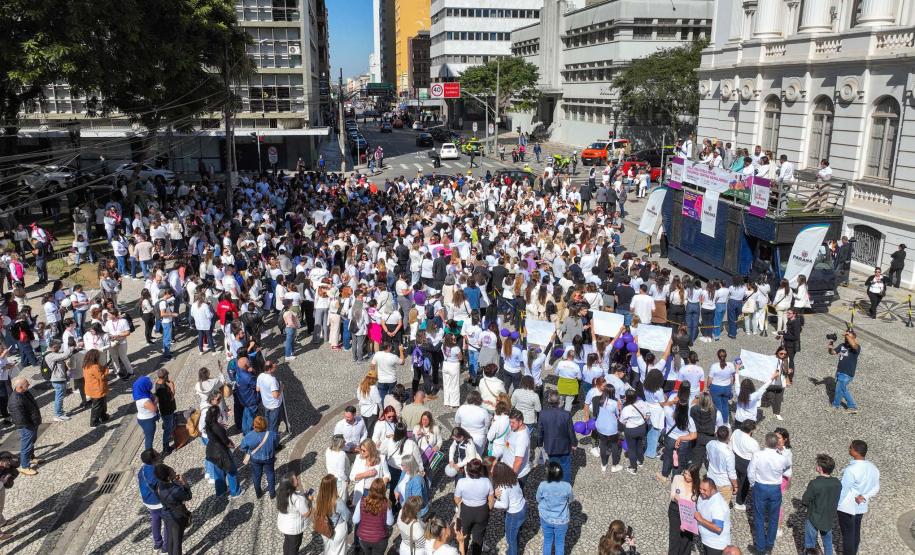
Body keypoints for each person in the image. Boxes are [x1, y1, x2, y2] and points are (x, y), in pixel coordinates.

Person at [748, 432, 791, 554]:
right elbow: (787, 466)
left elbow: (750, 472)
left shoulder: (757, 455)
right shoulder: (782, 457)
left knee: (759, 517)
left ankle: (760, 548)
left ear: (766, 442)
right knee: (773, 517)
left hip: (760, 487)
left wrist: (753, 484)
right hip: (775, 488)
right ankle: (769, 545)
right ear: (777, 443)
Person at [837, 439, 880, 555]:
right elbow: (876, 488)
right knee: (856, 532)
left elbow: (843, 490)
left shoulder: (851, 470)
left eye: (850, 448)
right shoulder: (873, 468)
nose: (849, 449)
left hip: (847, 508)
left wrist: (835, 505)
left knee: (848, 535)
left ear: (856, 452)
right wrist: (864, 496)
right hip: (861, 506)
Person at [801, 453, 841, 555]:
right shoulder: (837, 483)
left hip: (814, 517)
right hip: (828, 518)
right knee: (828, 542)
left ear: (820, 468)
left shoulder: (815, 484)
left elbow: (805, 500)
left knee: (810, 544)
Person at [453, 458, 494, 555]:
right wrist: (487, 509)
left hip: (466, 512)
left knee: (464, 536)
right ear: (481, 470)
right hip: (482, 511)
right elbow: (491, 501)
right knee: (478, 538)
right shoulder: (486, 481)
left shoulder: (461, 482)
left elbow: (457, 499)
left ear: (468, 470)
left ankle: (463, 552)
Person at [204, 395, 241, 498]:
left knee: (218, 473)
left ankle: (221, 492)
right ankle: (235, 492)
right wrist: (232, 445)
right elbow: (225, 441)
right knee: (231, 470)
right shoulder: (217, 427)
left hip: (211, 451)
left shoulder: (208, 424)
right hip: (221, 452)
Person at [537, 390, 578, 483]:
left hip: (550, 446)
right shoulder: (566, 414)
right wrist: (574, 443)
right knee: (566, 467)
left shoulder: (543, 414)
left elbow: (540, 431)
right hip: (564, 446)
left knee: (553, 467)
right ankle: (566, 486)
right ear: (560, 401)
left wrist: (539, 443)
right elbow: (571, 431)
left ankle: (554, 484)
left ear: (548, 400)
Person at [537, 461, 574, 555]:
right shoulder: (567, 486)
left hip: (546, 518)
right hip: (561, 520)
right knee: (560, 544)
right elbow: (570, 500)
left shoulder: (542, 485)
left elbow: (538, 499)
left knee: (547, 541)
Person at [155, 463, 192, 555]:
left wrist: (174, 481)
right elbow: (188, 496)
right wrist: (184, 483)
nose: (175, 471)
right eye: (172, 471)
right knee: (177, 542)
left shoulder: (159, 485)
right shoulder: (175, 491)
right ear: (168, 477)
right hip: (177, 517)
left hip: (167, 515)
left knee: (171, 539)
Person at [9, 376, 42, 476]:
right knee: (26, 446)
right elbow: (20, 419)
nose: (29, 385)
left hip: (32, 423)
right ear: (20, 387)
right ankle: (24, 467)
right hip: (27, 426)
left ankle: (31, 458)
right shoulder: (15, 401)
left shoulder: (24, 392)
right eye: (27, 384)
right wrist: (31, 425)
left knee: (31, 442)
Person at [240, 415, 279, 499]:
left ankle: (258, 493)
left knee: (256, 476)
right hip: (269, 458)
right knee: (270, 474)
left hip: (255, 459)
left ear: (254, 425)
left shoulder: (248, 436)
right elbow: (276, 444)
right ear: (265, 424)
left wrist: (249, 451)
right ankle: (272, 494)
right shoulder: (272, 434)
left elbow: (242, 447)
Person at [137, 449, 168, 553]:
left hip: (148, 500)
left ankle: (157, 543)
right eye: (157, 453)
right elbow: (162, 486)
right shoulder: (156, 471)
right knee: (168, 522)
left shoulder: (142, 470)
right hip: (158, 501)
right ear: (154, 459)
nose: (159, 453)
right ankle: (165, 547)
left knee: (155, 520)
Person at [311, 473, 351, 555]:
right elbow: (347, 516)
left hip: (325, 529)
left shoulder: (319, 498)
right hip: (338, 529)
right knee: (339, 552)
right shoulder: (338, 501)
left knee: (328, 550)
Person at [354, 477, 394, 555]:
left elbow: (355, 520)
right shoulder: (386, 503)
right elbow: (390, 522)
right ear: (383, 491)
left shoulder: (362, 501)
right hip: (380, 539)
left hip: (363, 538)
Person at [668, 464, 701, 554]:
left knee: (687, 539)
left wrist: (686, 522)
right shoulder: (678, 478)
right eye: (685, 473)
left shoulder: (697, 485)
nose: (686, 476)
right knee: (674, 538)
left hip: (689, 513)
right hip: (675, 510)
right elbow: (672, 495)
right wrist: (676, 498)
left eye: (689, 475)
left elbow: (697, 504)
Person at [695, 477, 732, 555]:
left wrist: (701, 519)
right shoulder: (702, 496)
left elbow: (718, 528)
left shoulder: (717, 505)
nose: (701, 491)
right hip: (706, 540)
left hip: (716, 545)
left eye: (704, 490)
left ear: (713, 489)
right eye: (700, 489)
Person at [828, 329, 860, 414]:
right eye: (846, 336)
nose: (846, 338)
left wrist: (847, 335)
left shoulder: (856, 347)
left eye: (849, 336)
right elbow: (832, 352)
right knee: (843, 389)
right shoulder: (842, 345)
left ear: (853, 337)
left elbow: (853, 344)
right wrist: (830, 344)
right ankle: (852, 407)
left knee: (839, 390)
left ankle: (835, 407)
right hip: (839, 372)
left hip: (847, 373)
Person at [619, 389, 649, 474]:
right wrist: (643, 420)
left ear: (627, 398)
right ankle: (640, 461)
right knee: (639, 445)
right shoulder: (642, 403)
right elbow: (648, 414)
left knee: (631, 449)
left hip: (631, 430)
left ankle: (633, 467)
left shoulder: (626, 409)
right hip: (642, 428)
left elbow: (622, 421)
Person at [46, 339, 73, 421]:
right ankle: (58, 414)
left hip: (59, 378)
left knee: (60, 397)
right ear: (54, 347)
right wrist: (71, 348)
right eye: (59, 347)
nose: (60, 349)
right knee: (59, 398)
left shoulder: (53, 353)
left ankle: (59, 411)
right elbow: (64, 356)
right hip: (57, 379)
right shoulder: (50, 355)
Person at [83, 349, 110, 427]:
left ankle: (103, 416)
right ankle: (94, 422)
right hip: (98, 389)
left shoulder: (86, 365)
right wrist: (106, 370)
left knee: (101, 404)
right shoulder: (94, 367)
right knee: (97, 406)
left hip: (91, 388)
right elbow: (101, 377)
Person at [256, 361, 285, 433]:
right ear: (269, 369)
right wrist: (281, 387)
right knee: (274, 425)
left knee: (267, 423)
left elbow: (257, 389)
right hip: (274, 405)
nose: (275, 366)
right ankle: (273, 441)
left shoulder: (260, 376)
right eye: (273, 366)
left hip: (266, 404)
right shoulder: (272, 380)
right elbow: (275, 395)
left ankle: (267, 434)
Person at [154, 368, 177, 455]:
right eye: (167, 375)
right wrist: (172, 388)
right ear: (165, 376)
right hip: (167, 411)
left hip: (165, 410)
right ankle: (166, 447)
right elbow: (170, 398)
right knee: (168, 428)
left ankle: (169, 436)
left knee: (167, 425)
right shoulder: (162, 388)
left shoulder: (158, 383)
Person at [133, 375, 159, 451]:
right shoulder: (144, 400)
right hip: (147, 420)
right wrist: (156, 400)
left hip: (143, 418)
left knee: (148, 435)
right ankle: (149, 455)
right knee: (149, 438)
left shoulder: (140, 392)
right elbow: (154, 409)